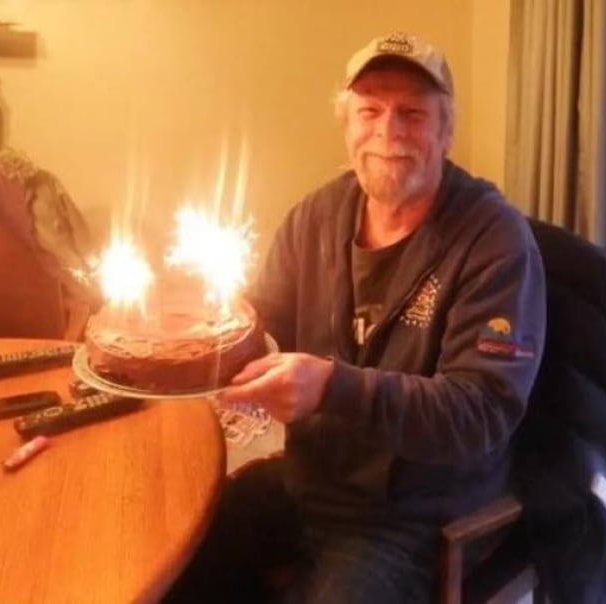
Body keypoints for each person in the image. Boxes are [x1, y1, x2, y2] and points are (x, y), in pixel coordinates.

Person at [163, 31, 546, 604]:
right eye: (370, 110)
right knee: (174, 567)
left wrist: (333, 387)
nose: (388, 131)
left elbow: (480, 413)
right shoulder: (315, 218)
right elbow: (263, 324)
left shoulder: (494, 242)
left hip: (413, 518)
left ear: (446, 132)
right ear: (346, 125)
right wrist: (208, 333)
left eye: (413, 114)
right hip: (307, 484)